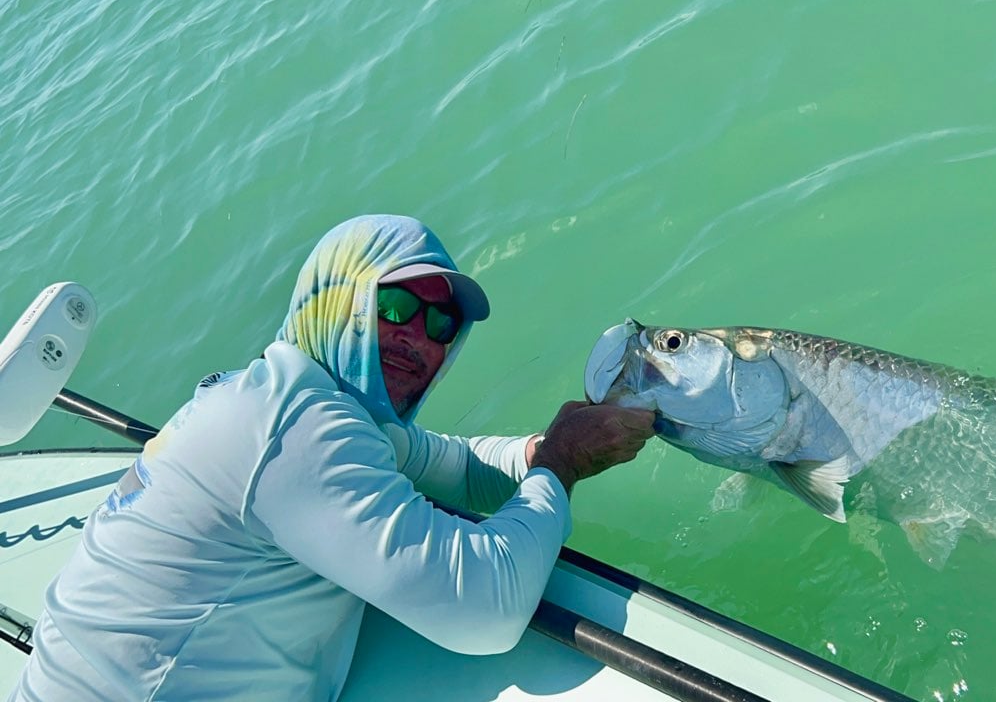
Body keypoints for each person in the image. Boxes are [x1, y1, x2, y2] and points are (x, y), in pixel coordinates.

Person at [8, 215, 656, 701]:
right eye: (396, 306)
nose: (417, 337)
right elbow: (486, 609)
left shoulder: (286, 396)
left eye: (441, 326)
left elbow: (454, 465)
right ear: (332, 300)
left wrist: (543, 445)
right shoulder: (299, 425)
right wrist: (560, 468)